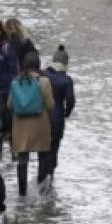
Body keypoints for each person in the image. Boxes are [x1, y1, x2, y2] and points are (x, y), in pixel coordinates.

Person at [10, 52, 55, 196]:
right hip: (40, 125)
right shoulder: (45, 82)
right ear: (38, 65)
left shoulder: (16, 82)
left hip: (20, 127)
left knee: (22, 159)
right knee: (43, 156)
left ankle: (22, 193)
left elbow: (9, 105)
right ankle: (41, 191)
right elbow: (50, 105)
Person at [43, 45, 76, 187]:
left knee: (42, 149)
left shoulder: (43, 74)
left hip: (42, 117)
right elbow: (70, 101)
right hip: (57, 119)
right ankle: (50, 176)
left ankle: (41, 176)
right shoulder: (66, 80)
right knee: (54, 148)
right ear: (65, 63)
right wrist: (66, 113)